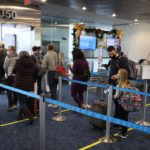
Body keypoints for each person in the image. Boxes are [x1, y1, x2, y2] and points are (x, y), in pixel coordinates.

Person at [12, 51, 36, 125]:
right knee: (23, 100)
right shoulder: (32, 62)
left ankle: (30, 117)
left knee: (22, 101)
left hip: (19, 83)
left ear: (20, 55)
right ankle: (20, 115)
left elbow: (14, 71)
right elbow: (35, 71)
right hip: (28, 83)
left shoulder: (18, 62)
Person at [107, 46, 129, 120]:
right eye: (109, 54)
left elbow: (126, 71)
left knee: (121, 104)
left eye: (111, 53)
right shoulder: (113, 60)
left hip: (121, 85)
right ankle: (117, 119)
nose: (110, 55)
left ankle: (122, 123)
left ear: (115, 51)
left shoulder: (122, 59)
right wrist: (109, 83)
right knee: (116, 102)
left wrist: (118, 76)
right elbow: (112, 72)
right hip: (113, 85)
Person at [114, 69, 130, 138]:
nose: (117, 74)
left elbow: (116, 96)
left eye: (118, 73)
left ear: (120, 76)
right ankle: (124, 131)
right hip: (128, 103)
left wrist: (112, 96)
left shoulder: (119, 85)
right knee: (125, 117)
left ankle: (124, 133)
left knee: (123, 117)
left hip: (121, 104)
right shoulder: (128, 83)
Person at [3, 46, 18, 111]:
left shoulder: (8, 56)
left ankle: (11, 105)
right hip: (17, 75)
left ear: (11, 50)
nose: (8, 50)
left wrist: (7, 72)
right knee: (16, 90)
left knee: (9, 91)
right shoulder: (18, 56)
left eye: (9, 49)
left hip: (10, 75)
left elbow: (5, 66)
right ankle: (15, 103)